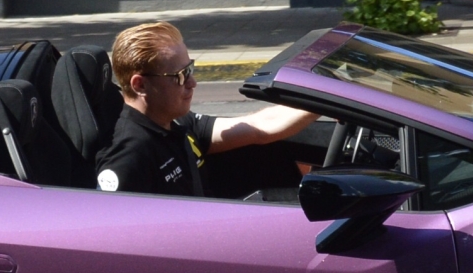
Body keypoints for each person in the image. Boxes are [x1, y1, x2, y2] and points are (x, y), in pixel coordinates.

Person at [95, 21, 317, 195]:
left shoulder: (175, 122)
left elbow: (259, 127)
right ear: (140, 85)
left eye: (190, 69)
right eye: (180, 76)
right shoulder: (130, 154)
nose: (192, 83)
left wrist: (320, 104)